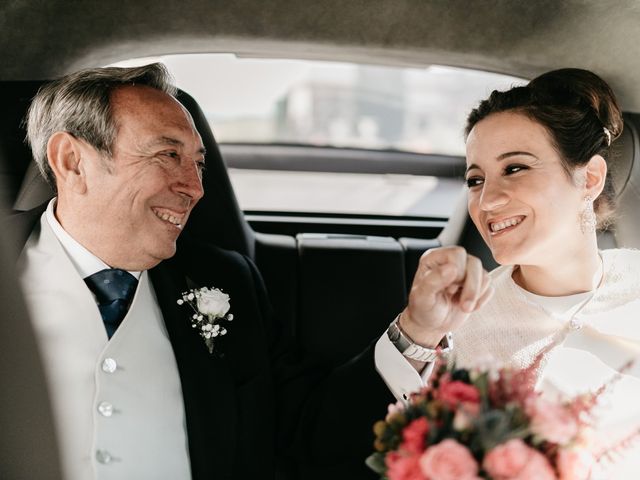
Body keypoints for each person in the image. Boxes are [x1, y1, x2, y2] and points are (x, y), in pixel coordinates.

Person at [6, 63, 420, 480]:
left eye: (198, 164)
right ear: (72, 161)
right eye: (168, 155)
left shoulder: (227, 283)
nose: (195, 187)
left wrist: (417, 331)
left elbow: (309, 431)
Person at [387, 68, 640, 478]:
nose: (487, 201)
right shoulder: (461, 326)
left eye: (515, 168)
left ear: (590, 178)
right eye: (475, 179)